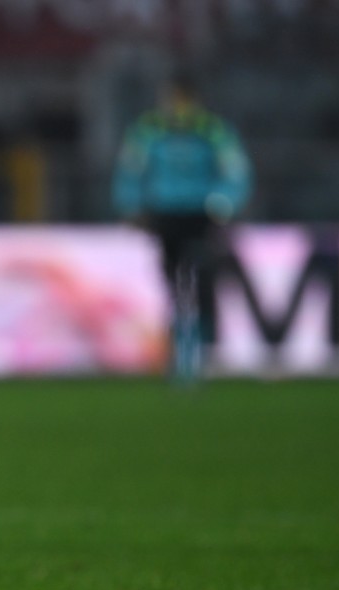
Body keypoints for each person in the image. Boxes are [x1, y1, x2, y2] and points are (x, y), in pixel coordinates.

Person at [112, 70, 252, 382]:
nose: (177, 106)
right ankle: (180, 352)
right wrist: (132, 206)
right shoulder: (150, 130)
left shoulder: (212, 131)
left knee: (200, 280)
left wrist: (223, 203)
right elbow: (130, 171)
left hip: (201, 215)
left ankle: (198, 353)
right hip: (165, 216)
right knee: (173, 284)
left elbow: (236, 171)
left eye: (181, 99)